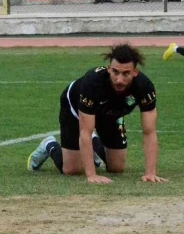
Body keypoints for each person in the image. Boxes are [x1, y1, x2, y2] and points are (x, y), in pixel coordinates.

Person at [27, 44, 168, 185]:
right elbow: (85, 131)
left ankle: (94, 145)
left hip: (111, 114)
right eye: (115, 72)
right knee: (72, 169)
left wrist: (150, 173)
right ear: (109, 69)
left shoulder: (144, 87)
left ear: (135, 72)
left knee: (116, 167)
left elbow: (149, 132)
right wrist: (91, 174)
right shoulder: (92, 83)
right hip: (76, 108)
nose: (119, 80)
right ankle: (49, 144)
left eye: (126, 74)